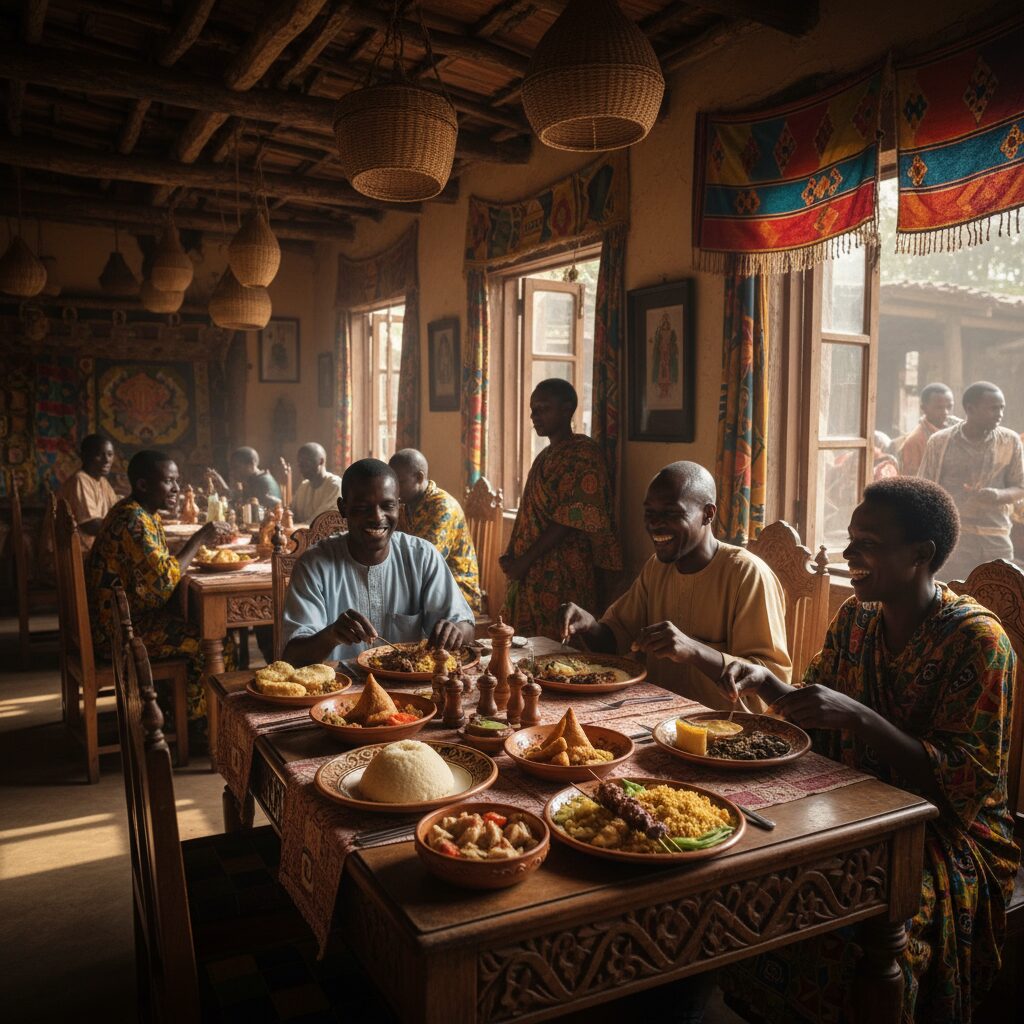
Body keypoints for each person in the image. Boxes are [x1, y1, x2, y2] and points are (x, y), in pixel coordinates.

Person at [714, 477, 1018, 1024]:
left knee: (840, 923)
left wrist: (859, 717)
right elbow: (814, 705)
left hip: (942, 836)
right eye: (851, 539)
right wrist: (762, 680)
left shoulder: (978, 642)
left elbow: (962, 783)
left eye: (868, 543)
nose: (850, 554)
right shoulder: (857, 619)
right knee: (740, 873)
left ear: (921, 554)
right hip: (853, 804)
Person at [558, 462, 790, 711]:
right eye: (650, 513)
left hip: (722, 731)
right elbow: (616, 642)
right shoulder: (658, 567)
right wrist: (588, 625)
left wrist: (693, 650)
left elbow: (770, 684)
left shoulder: (746, 574)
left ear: (708, 514)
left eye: (671, 513)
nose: (656, 524)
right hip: (653, 716)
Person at [87, 450, 233, 726]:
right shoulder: (133, 521)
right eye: (169, 482)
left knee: (203, 624)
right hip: (118, 632)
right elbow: (164, 583)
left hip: (123, 619)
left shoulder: (139, 512)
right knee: (215, 640)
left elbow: (158, 568)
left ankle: (182, 709)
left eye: (176, 481)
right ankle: (201, 724)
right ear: (143, 485)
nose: (177, 488)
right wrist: (200, 536)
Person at [281, 459, 474, 666]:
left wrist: (456, 631)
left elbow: (467, 629)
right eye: (363, 508)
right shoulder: (314, 566)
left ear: (398, 506)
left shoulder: (422, 557)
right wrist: (331, 636)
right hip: (340, 690)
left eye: (387, 505)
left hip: (409, 691)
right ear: (343, 508)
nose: (376, 517)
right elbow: (292, 657)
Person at [501, 379, 622, 639]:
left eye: (543, 408)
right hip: (530, 573)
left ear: (567, 410)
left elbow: (569, 519)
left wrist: (524, 561)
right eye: (533, 409)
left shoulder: (584, 454)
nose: (534, 416)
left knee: (559, 651)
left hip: (564, 574)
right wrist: (513, 553)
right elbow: (529, 513)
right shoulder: (545, 456)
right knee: (525, 656)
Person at [917, 381, 1024, 581]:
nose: (999, 414)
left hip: (996, 538)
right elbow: (925, 490)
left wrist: (998, 495)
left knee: (999, 598)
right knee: (953, 601)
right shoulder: (940, 442)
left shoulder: (1010, 441)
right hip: (956, 540)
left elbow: (1021, 487)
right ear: (970, 408)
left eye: (1001, 408)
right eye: (992, 408)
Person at [389, 448, 482, 612]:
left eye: (400, 483)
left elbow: (425, 562)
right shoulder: (407, 504)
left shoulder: (442, 507)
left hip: (455, 593)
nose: (394, 490)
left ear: (419, 477)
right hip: (424, 585)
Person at [58, 434, 119, 553]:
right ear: (84, 456)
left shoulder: (102, 482)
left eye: (110, 454)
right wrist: (123, 527)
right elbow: (90, 525)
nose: (106, 459)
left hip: (91, 549)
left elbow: (116, 509)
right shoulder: (80, 480)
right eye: (99, 455)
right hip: (76, 553)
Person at [896, 382, 960, 477]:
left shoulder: (958, 428)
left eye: (949, 407)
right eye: (939, 408)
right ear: (923, 408)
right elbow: (911, 481)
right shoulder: (915, 441)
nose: (946, 412)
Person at [207, 446, 282, 506]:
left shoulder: (262, 481)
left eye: (237, 467)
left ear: (251, 464)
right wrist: (220, 481)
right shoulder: (254, 478)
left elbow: (247, 503)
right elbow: (238, 498)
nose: (233, 472)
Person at [291, 442, 342, 523]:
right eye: (300, 463)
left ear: (321, 461)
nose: (300, 467)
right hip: (301, 533)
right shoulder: (304, 486)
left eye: (305, 463)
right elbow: (291, 513)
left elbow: (317, 523)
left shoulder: (335, 486)